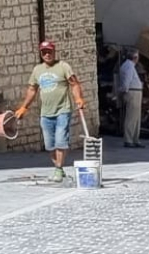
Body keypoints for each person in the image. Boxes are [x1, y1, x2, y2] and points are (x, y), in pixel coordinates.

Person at [15, 40, 87, 183]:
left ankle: (58, 170)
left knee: (61, 140)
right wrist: (24, 107)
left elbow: (74, 83)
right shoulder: (37, 70)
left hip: (63, 110)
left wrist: (78, 98)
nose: (47, 54)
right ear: (41, 53)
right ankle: (58, 169)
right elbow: (32, 89)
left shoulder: (63, 66)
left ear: (54, 52)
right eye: (44, 52)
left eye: (49, 51)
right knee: (49, 144)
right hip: (46, 113)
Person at [115, 47, 145, 148]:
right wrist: (124, 91)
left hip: (135, 92)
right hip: (132, 92)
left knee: (136, 117)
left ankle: (135, 138)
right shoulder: (128, 66)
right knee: (131, 117)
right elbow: (126, 81)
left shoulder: (130, 66)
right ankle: (129, 139)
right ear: (135, 57)